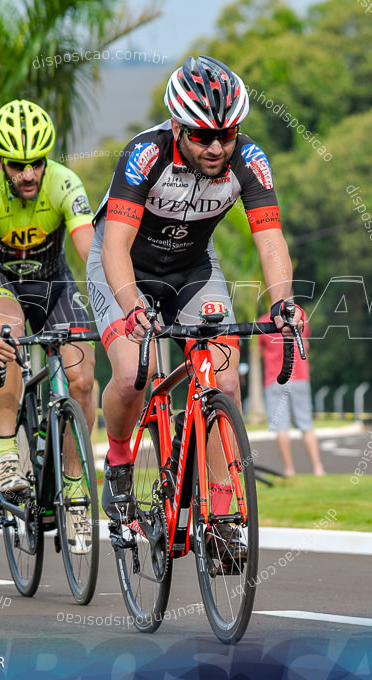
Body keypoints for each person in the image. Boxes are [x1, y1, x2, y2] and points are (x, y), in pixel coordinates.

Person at [86, 55, 304, 558]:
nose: (216, 147)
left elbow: (270, 242)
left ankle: (220, 516)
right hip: (123, 267)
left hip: (192, 269)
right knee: (130, 375)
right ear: (177, 126)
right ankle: (119, 462)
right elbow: (115, 245)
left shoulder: (249, 161)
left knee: (223, 379)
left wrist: (284, 303)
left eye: (226, 135)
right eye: (203, 135)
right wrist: (130, 306)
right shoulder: (145, 154)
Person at [0, 99, 96, 554]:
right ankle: (4, 453)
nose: (29, 175)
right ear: (1, 161)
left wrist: (119, 305)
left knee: (83, 378)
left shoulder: (65, 183)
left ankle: (75, 490)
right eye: (18, 166)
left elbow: (90, 254)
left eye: (36, 163)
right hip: (1, 284)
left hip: (53, 281)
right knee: (7, 334)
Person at [258, 316, 325, 477]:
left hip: (275, 378)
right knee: (306, 424)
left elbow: (262, 352)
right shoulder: (299, 315)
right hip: (299, 376)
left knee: (281, 427)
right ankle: (318, 469)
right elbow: (305, 342)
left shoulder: (263, 322)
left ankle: (289, 469)